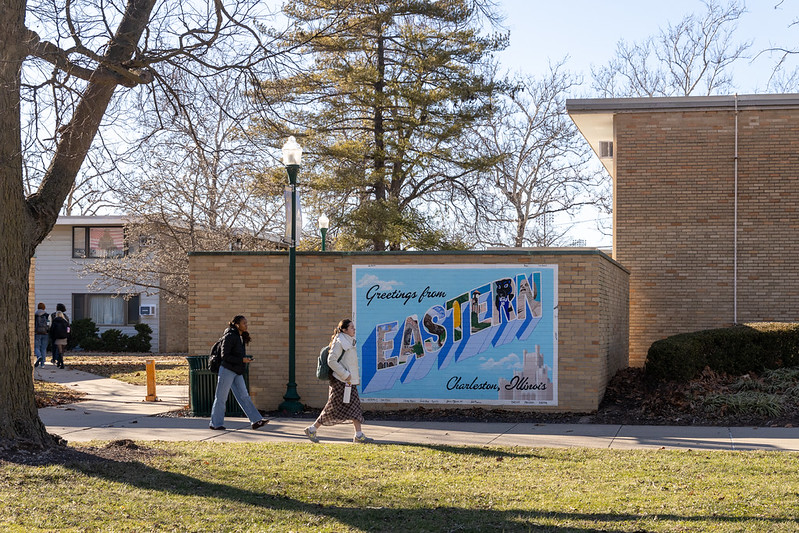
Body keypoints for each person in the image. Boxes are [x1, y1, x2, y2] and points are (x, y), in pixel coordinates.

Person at [305, 319, 373, 444]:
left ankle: (359, 435)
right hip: (340, 382)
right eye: (351, 327)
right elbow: (331, 360)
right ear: (344, 330)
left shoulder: (348, 341)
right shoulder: (340, 341)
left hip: (348, 382)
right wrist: (345, 374)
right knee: (332, 408)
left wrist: (351, 378)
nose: (354, 329)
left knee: (355, 407)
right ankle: (312, 429)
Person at [209, 315, 269, 431]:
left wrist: (243, 360)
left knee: (244, 396)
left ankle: (256, 421)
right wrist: (242, 360)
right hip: (227, 370)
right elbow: (225, 356)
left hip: (237, 371)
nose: (246, 325)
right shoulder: (230, 336)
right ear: (237, 325)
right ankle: (215, 424)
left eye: (246, 323)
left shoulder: (240, 337)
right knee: (221, 397)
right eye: (244, 323)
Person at [33, 303, 50, 367]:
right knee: (43, 348)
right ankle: (43, 364)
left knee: (36, 347)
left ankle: (38, 356)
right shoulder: (47, 315)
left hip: (37, 333)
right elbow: (49, 324)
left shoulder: (35, 315)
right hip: (45, 333)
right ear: (44, 307)